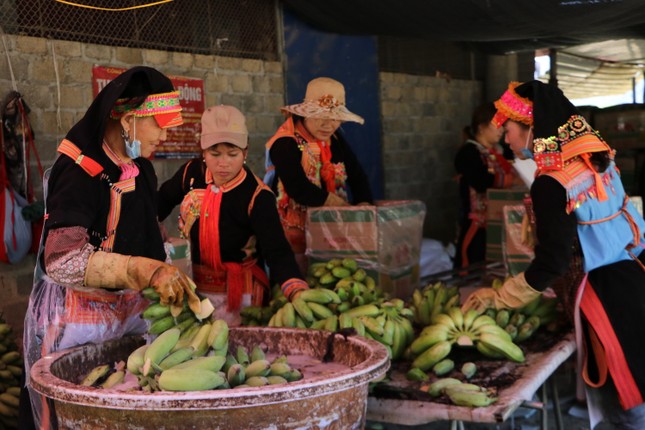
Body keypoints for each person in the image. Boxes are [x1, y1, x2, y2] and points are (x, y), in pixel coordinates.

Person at [22, 66, 200, 429]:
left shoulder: (141, 170)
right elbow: (63, 259)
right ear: (129, 120)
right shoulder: (79, 171)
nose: (165, 135)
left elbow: (149, 231)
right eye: (158, 124)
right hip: (78, 321)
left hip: (129, 314)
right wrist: (140, 270)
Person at [462, 81, 645, 429]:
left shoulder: (552, 182)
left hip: (601, 296)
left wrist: (501, 296)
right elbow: (622, 223)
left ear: (534, 128)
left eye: (511, 130)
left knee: (626, 396)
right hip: (633, 276)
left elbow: (552, 261)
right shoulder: (597, 159)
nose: (506, 139)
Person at [158, 105, 309, 325]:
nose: (223, 163)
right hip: (193, 286)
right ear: (203, 152)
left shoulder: (257, 196)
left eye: (233, 154)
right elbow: (160, 201)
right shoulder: (192, 173)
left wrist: (296, 291)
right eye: (214, 154)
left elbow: (277, 252)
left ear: (245, 153)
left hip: (241, 295)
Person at [264, 77, 374, 274]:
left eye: (334, 118)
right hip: (293, 235)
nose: (328, 124)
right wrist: (337, 204)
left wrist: (364, 204)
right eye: (320, 116)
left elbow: (357, 175)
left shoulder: (335, 140)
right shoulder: (286, 142)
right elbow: (297, 187)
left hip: (331, 230)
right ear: (305, 113)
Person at [453, 102, 515, 269]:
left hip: (500, 221)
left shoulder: (500, 151)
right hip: (478, 224)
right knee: (476, 267)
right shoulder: (468, 153)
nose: (502, 130)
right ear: (482, 127)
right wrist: (512, 180)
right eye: (497, 125)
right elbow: (481, 181)